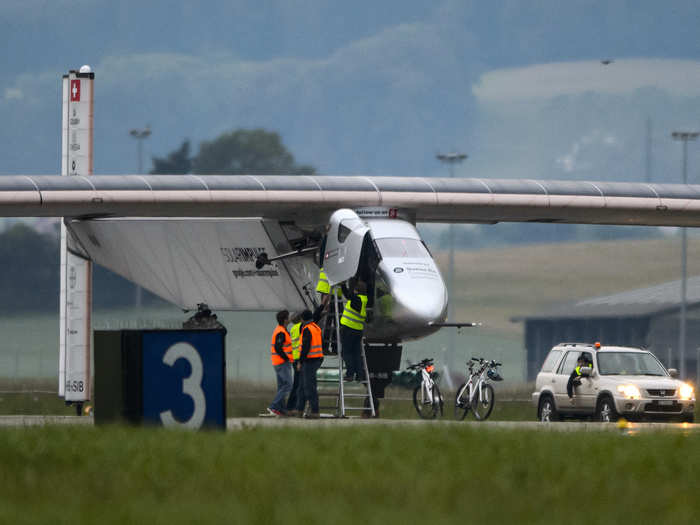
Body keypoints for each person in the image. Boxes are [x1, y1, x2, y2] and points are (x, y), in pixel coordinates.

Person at [296, 309, 324, 418]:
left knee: (309, 387)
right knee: (302, 387)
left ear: (303, 319)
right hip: (316, 359)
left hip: (309, 361)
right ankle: (299, 410)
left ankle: (315, 412)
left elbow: (305, 347)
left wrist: (300, 361)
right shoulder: (316, 327)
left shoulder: (307, 329)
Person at [339, 279, 368, 382]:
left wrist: (343, 285)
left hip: (348, 329)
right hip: (358, 331)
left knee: (346, 353)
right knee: (356, 353)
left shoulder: (357, 300)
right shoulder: (364, 300)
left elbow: (348, 295)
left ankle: (350, 374)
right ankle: (360, 375)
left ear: (357, 290)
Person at [268, 310, 293, 416]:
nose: (290, 318)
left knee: (282, 386)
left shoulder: (281, 330)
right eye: (288, 317)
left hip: (278, 362)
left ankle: (281, 409)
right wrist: (286, 358)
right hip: (282, 362)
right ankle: (273, 406)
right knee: (288, 385)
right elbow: (278, 347)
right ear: (285, 320)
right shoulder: (281, 332)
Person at [285, 313, 303, 415]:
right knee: (298, 385)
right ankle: (293, 407)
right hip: (299, 359)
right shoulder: (300, 327)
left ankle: (290, 407)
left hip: (295, 358)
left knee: (296, 384)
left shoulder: (293, 328)